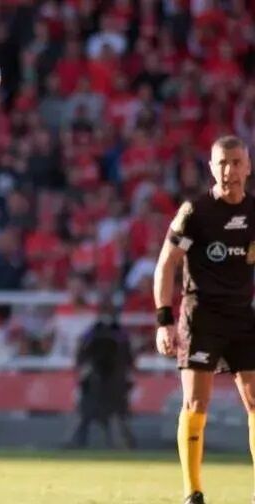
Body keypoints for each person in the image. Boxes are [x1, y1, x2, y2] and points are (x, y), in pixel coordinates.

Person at [154, 135, 255, 504]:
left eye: (236, 162)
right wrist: (164, 320)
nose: (230, 170)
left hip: (242, 316)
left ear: (248, 166)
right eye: (222, 163)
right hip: (202, 317)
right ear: (212, 168)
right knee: (197, 403)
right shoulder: (195, 213)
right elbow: (166, 264)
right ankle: (192, 492)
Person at [68, 298, 135, 449]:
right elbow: (82, 355)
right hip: (97, 381)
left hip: (114, 381)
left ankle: (125, 444)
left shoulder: (119, 333)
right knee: (87, 413)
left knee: (119, 414)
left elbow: (128, 359)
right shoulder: (93, 332)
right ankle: (78, 443)